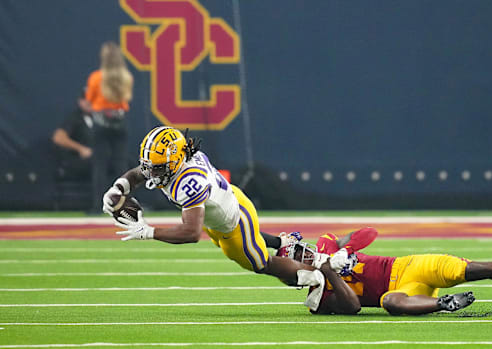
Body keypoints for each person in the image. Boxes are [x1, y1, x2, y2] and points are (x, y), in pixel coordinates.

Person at [104, 126, 320, 287]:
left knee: (262, 264)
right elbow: (136, 174)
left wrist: (149, 232)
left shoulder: (189, 182)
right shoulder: (177, 160)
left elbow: (191, 233)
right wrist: (117, 189)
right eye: (150, 166)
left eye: (157, 168)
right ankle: (282, 241)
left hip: (234, 220)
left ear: (176, 161)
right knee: (237, 239)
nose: (151, 173)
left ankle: (317, 276)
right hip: (218, 211)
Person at [269, 228, 492, 315]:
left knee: (475, 268)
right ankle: (444, 304)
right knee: (391, 304)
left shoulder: (327, 244)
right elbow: (351, 307)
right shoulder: (317, 299)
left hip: (407, 266)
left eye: (299, 250)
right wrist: (331, 274)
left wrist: (343, 252)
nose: (304, 256)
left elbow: (369, 232)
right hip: (403, 293)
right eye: (296, 258)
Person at [81, 41, 133, 212]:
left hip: (101, 123)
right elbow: (127, 99)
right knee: (121, 164)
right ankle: (124, 204)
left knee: (100, 164)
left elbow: (89, 100)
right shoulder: (126, 77)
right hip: (119, 122)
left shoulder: (96, 77)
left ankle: (98, 205)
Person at [51, 93, 94, 179]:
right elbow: (58, 138)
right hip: (78, 161)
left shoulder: (100, 118)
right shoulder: (75, 118)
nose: (89, 102)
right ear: (80, 101)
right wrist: (81, 149)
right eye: (86, 99)